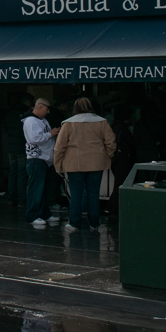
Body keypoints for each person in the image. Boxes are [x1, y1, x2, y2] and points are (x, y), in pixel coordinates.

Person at [54, 98, 117, 232]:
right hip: (96, 164)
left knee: (76, 194)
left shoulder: (68, 123)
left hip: (74, 164)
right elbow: (111, 142)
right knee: (93, 193)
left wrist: (58, 164)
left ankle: (74, 223)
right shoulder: (102, 122)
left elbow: (59, 146)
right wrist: (107, 155)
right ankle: (94, 223)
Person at [24, 98, 60, 228]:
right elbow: (35, 138)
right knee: (36, 188)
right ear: (39, 106)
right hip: (36, 158)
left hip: (46, 159)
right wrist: (50, 134)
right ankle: (32, 214)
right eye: (47, 108)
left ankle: (44, 212)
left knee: (45, 188)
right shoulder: (30, 121)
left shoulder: (42, 120)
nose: (48, 111)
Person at [4, 93, 34, 207]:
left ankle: (12, 198)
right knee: (22, 174)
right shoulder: (27, 114)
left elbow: (5, 128)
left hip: (11, 147)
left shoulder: (10, 113)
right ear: (27, 102)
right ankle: (21, 199)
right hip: (22, 146)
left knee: (13, 173)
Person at [107, 105, 136, 217]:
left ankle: (112, 206)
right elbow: (131, 144)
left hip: (114, 158)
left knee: (118, 182)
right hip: (122, 159)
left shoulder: (113, 127)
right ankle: (113, 207)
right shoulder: (123, 129)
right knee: (121, 183)